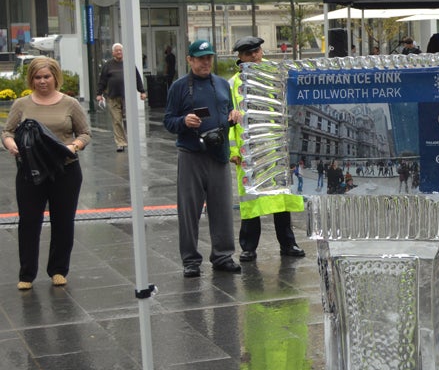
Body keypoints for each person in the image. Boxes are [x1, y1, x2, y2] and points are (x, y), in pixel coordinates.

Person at [2, 57, 90, 289]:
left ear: (55, 77)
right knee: (29, 222)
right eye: (37, 77)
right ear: (31, 79)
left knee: (63, 221)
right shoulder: (21, 104)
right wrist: (10, 143)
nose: (42, 81)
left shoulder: (70, 104)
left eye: (46, 77)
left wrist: (74, 146)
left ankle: (58, 270)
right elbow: (7, 131)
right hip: (30, 171)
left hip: (65, 170)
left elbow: (85, 133)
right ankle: (26, 274)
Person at [163, 39, 243, 278]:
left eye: (209, 57)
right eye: (200, 58)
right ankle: (190, 259)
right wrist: (183, 121)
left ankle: (223, 255)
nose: (206, 62)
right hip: (191, 154)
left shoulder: (221, 84)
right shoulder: (178, 87)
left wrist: (232, 116)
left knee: (222, 208)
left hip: (218, 154)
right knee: (189, 210)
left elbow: (226, 112)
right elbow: (168, 121)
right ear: (190, 60)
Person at [228, 36, 305, 263]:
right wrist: (232, 150)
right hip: (249, 152)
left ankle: (288, 243)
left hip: (276, 149)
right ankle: (249, 247)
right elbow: (229, 117)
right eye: (248, 53)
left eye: (257, 51)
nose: (254, 56)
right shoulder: (233, 83)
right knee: (252, 201)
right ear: (240, 57)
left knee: (282, 199)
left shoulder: (276, 76)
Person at [95, 43, 147, 152]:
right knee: (117, 120)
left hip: (127, 97)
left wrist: (142, 91)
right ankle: (121, 143)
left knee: (128, 120)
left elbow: (137, 78)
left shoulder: (129, 64)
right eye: (117, 50)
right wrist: (99, 94)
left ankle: (131, 140)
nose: (119, 52)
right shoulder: (108, 66)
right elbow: (102, 81)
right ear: (113, 53)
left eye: (120, 50)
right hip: (113, 97)